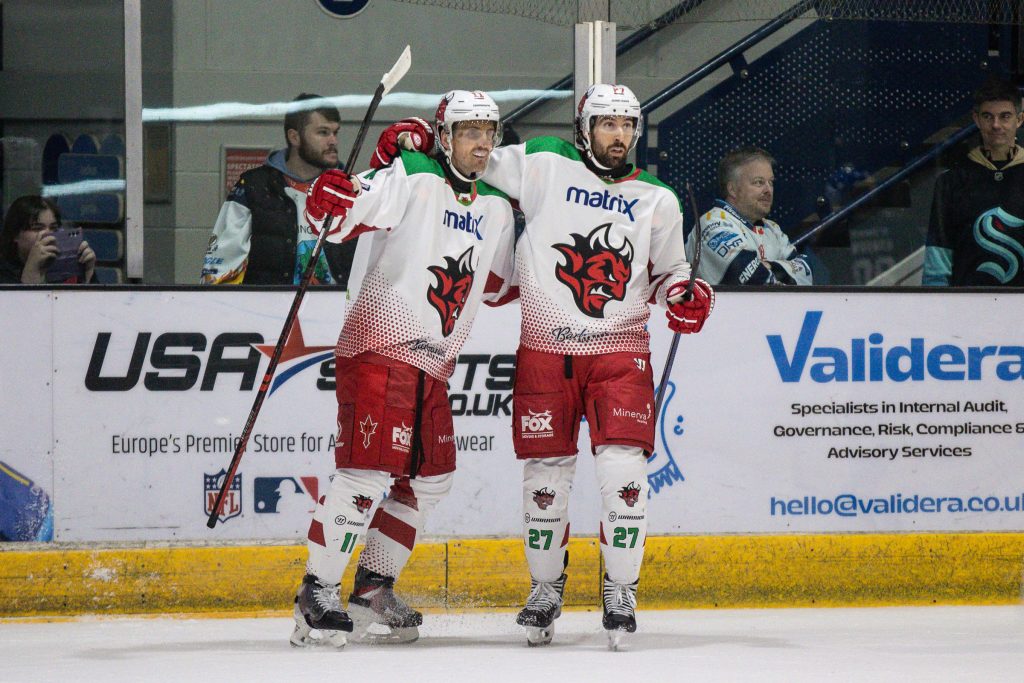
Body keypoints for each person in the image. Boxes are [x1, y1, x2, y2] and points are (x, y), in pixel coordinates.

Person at [374, 83, 714, 648]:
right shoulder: (543, 161)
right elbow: (469, 156)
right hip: (544, 352)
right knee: (545, 480)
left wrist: (684, 294)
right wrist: (413, 143)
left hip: (619, 352)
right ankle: (545, 589)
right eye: (608, 124)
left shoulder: (658, 198)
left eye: (627, 125)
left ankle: (621, 590)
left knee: (622, 474)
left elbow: (670, 272)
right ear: (584, 128)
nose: (620, 135)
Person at [289, 90, 517, 649]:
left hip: (433, 365)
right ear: (444, 136)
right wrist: (328, 199)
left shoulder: (496, 207)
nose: (482, 143)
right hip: (378, 348)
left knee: (430, 479)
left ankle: (372, 587)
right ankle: (317, 592)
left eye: (489, 132)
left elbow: (499, 286)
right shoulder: (412, 174)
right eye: (469, 132)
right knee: (365, 474)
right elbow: (341, 217)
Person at [200, 93, 356, 285]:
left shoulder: (352, 190)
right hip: (270, 304)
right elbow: (222, 266)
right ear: (295, 137)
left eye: (335, 132)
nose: (333, 141)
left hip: (335, 304)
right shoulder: (253, 187)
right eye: (323, 132)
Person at [924, 77, 1024, 286]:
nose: (996, 125)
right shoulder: (950, 182)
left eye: (1005, 116)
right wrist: (935, 302)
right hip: (967, 304)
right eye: (988, 116)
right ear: (976, 119)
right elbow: (937, 262)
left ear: (1019, 119)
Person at [687, 146, 812, 285]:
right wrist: (785, 271)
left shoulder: (772, 229)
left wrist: (769, 266)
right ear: (732, 189)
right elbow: (750, 278)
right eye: (759, 182)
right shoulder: (712, 224)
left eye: (771, 182)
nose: (768, 190)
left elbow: (807, 273)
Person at [0, 195, 96, 284]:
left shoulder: (67, 268)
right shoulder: (3, 275)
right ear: (15, 234)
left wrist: (88, 276)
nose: (49, 235)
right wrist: (31, 274)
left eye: (54, 228)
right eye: (37, 228)